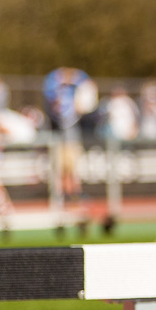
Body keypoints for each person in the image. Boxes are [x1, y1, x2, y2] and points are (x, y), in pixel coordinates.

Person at [43, 66, 95, 208]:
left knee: (72, 166)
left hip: (70, 132)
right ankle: (63, 196)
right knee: (60, 166)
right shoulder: (54, 89)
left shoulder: (75, 88)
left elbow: (87, 84)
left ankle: (74, 194)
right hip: (59, 133)